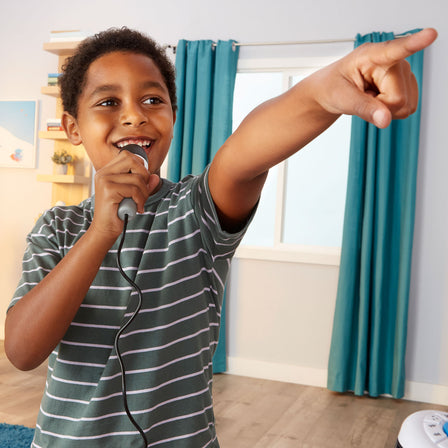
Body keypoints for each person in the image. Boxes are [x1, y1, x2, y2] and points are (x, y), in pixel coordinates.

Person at [4, 26, 437, 447]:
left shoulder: (194, 210)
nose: (135, 115)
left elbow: (245, 152)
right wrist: (100, 233)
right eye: (108, 102)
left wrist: (320, 92)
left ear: (173, 116)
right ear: (73, 127)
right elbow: (23, 352)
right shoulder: (56, 227)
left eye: (153, 99)